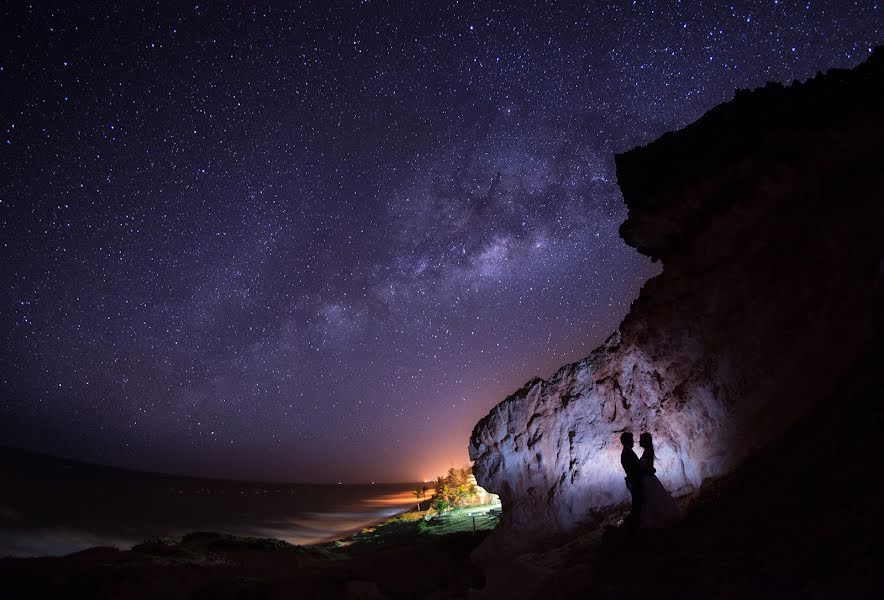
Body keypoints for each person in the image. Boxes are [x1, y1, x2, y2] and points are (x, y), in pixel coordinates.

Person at [637, 432, 680, 528]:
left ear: (645, 441)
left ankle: (657, 520)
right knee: (652, 500)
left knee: (653, 499)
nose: (639, 441)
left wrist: (640, 469)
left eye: (641, 439)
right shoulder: (646, 451)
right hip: (647, 479)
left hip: (648, 479)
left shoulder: (648, 452)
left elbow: (649, 468)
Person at [619, 431, 645, 531]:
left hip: (634, 480)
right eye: (631, 440)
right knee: (637, 503)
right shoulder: (626, 453)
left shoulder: (627, 452)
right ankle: (635, 526)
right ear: (627, 441)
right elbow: (633, 469)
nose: (633, 442)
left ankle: (635, 525)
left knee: (637, 503)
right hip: (635, 481)